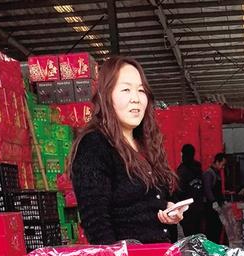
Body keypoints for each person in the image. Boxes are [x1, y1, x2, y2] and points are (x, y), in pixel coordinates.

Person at [69, 56, 185, 245]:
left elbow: (149, 201)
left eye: (141, 90)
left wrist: (169, 209)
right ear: (107, 96)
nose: (136, 99)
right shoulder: (94, 145)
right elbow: (96, 222)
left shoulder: (145, 144)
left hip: (160, 255)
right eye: (126, 90)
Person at [176, 143, 205, 235]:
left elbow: (179, 190)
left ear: (182, 154)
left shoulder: (182, 170)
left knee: (189, 235)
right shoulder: (198, 168)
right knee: (198, 234)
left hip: (187, 208)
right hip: (199, 206)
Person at [202, 152, 227, 243]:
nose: (223, 167)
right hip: (210, 208)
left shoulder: (217, 173)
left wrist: (223, 200)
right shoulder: (209, 174)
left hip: (217, 208)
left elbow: (219, 191)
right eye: (222, 164)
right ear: (217, 162)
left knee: (218, 228)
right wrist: (213, 202)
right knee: (212, 229)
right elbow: (207, 189)